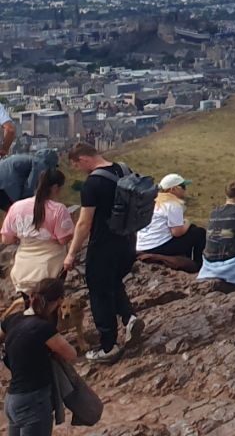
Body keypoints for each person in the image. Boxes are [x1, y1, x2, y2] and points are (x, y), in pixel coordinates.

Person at [63, 141, 141, 362]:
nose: (78, 170)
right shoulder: (123, 169)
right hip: (128, 241)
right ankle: (130, 318)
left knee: (99, 291)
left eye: (76, 166)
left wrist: (71, 253)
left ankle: (108, 347)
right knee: (113, 282)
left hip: (104, 245)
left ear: (83, 159)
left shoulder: (93, 184)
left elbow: (84, 223)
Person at [2, 277, 77, 436]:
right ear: (59, 301)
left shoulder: (12, 319)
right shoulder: (44, 328)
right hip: (33, 400)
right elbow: (71, 354)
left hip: (12, 399)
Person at [1, 168, 74, 296]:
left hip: (23, 268)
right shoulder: (59, 209)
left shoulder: (17, 207)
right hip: (51, 266)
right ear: (55, 188)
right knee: (50, 303)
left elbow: (6, 239)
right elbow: (63, 240)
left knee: (28, 303)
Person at [135, 173, 206, 270]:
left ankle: (184, 259)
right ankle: (198, 265)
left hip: (141, 245)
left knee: (190, 229)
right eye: (183, 187)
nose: (185, 190)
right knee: (198, 232)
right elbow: (177, 232)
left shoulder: (151, 201)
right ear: (173, 189)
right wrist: (187, 222)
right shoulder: (172, 204)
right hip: (157, 247)